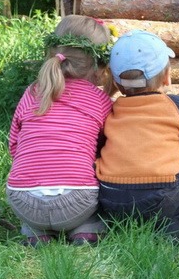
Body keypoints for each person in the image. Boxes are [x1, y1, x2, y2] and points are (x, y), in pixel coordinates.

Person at [6, 15, 117, 247]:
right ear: (99, 63)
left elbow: (14, 146)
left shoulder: (33, 92)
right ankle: (86, 230)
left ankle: (37, 231)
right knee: (98, 191)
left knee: (35, 212)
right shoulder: (99, 100)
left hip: (23, 199)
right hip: (77, 201)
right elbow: (109, 149)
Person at [95, 29, 179, 240]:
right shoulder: (174, 105)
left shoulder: (110, 109)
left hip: (112, 201)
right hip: (161, 199)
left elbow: (96, 149)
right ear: (166, 76)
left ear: (116, 82)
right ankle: (173, 230)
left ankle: (116, 227)